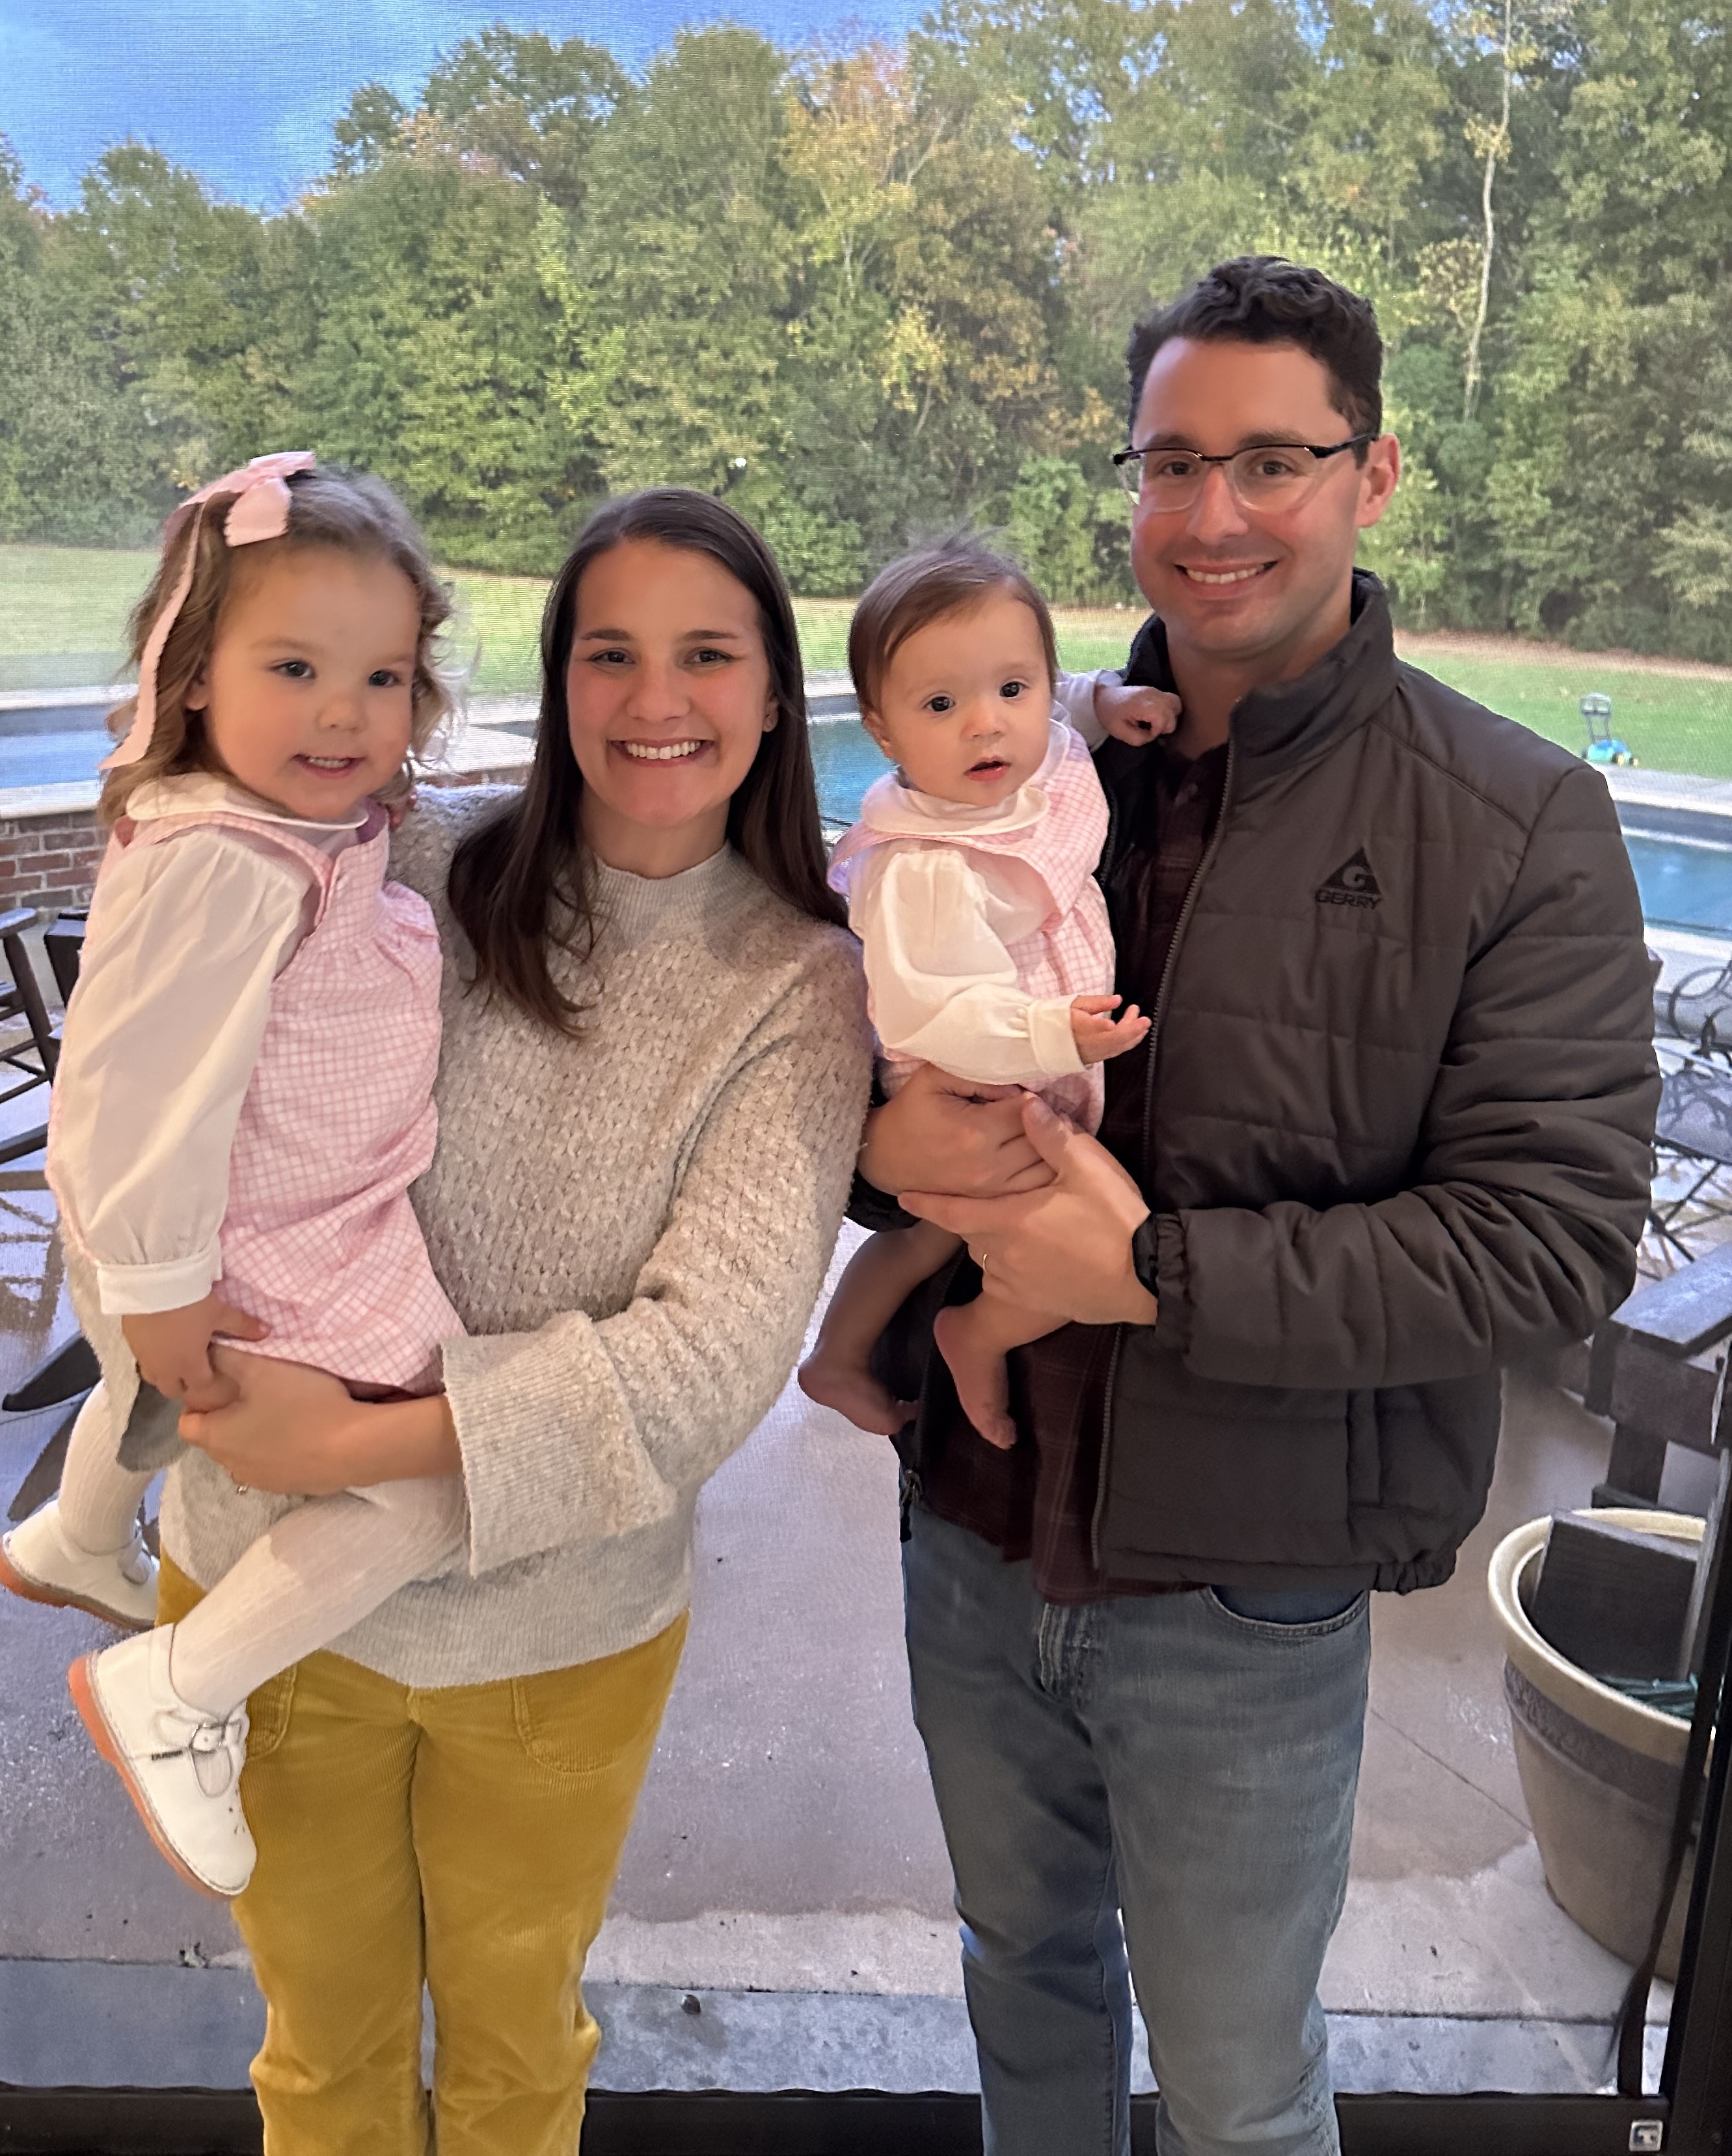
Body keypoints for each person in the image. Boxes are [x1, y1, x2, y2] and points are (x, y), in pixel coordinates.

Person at [854, 257, 1658, 2155]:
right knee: (1023, 1990)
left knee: (1235, 2085)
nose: (1213, 515)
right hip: (970, 1534)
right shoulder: (1016, 773)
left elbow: (1550, 1244)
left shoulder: (1515, 818)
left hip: (1246, 1582)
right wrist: (868, 1156)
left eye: (1273, 459)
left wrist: (1148, 1275)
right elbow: (835, 1036)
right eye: (1172, 461)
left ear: (1374, 474)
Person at [159, 487, 873, 2155]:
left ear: (775, 695)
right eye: (608, 654)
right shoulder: (411, 863)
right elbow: (168, 1061)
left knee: (510, 2065)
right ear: (556, 685)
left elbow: (702, 1367)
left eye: (707, 655)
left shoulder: (798, 988)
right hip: (270, 1600)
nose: (655, 701)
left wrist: (362, 1440)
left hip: (551, 1635)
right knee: (319, 2058)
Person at [0, 454, 469, 1900]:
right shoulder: (231, 863)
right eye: (297, 666)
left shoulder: (281, 832)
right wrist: (158, 1285)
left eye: (382, 678)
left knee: (152, 1390)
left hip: (272, 1215)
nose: (344, 712)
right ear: (194, 672)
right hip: (274, 1236)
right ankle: (179, 1690)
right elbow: (133, 1089)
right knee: (436, 1486)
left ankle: (74, 1535)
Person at [798, 539, 1178, 1447]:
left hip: (1033, 1044)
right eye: (940, 704)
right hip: (970, 1068)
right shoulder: (923, 864)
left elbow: (1060, 703)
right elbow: (940, 1014)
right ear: (881, 731)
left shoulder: (1035, 756)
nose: (988, 725)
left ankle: (838, 1355)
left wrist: (1106, 701)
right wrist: (1054, 1034)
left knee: (936, 1233)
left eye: (1014, 689)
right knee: (1032, 1228)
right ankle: (965, 1336)